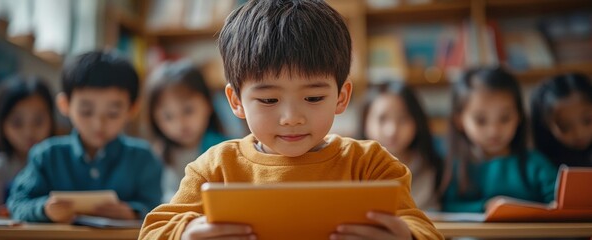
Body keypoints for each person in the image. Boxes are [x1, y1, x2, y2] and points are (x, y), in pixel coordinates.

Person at [139, 0, 442, 239]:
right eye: (269, 100)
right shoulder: (215, 167)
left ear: (341, 97)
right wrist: (186, 233)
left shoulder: (371, 165)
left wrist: (405, 235)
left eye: (313, 98)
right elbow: (152, 231)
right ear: (236, 101)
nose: (292, 118)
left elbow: (426, 230)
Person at [7, 51, 163, 223]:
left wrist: (133, 213)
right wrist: (44, 209)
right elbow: (16, 204)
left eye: (113, 113)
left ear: (133, 109)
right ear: (65, 105)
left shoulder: (143, 158)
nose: (98, 124)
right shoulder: (47, 155)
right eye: (86, 112)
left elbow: (159, 209)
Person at [442, 67, 557, 213]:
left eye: (505, 118)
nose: (494, 130)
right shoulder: (456, 167)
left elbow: (558, 202)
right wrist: (485, 206)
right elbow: (447, 207)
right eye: (481, 120)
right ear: (459, 121)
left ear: (519, 116)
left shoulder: (535, 164)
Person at [146, 61, 228, 203]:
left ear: (208, 103)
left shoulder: (224, 149)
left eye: (188, 110)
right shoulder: (156, 155)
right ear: (155, 119)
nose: (180, 124)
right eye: (168, 117)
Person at [360, 82, 444, 211]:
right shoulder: (352, 169)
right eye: (382, 119)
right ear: (365, 121)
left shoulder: (437, 167)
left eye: (403, 118)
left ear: (417, 121)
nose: (392, 130)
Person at [0, 76, 55, 215]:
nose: (28, 132)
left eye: (38, 121)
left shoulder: (61, 167)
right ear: (2, 124)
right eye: (17, 122)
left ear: (52, 120)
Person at [530, 73, 592, 167]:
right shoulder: (541, 165)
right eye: (565, 127)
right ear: (546, 125)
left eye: (587, 120)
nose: (579, 133)